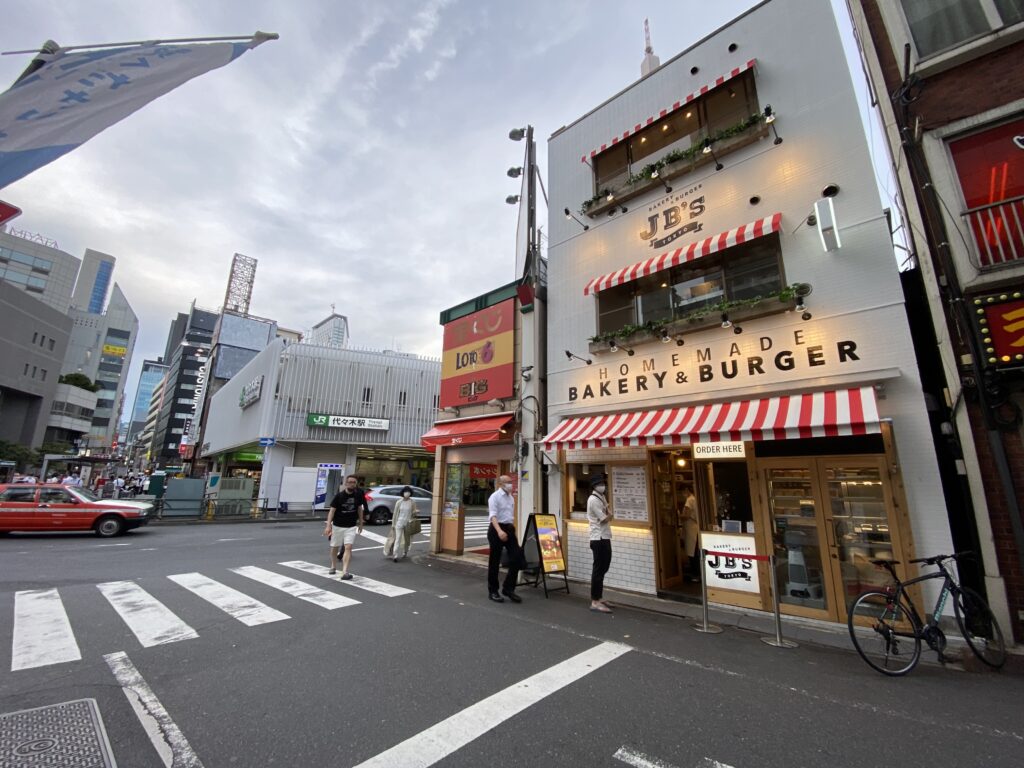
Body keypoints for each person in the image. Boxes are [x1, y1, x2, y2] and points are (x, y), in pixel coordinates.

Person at [486, 474, 524, 603]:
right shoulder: (494, 497)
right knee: (494, 562)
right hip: (496, 529)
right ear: (501, 484)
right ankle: (493, 591)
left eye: (511, 482)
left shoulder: (511, 498)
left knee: (517, 557)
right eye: (508, 482)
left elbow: (509, 516)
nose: (511, 484)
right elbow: (493, 516)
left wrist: (510, 529)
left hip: (508, 528)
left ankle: (508, 588)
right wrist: (499, 531)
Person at [323, 474, 366, 579]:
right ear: (346, 483)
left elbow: (360, 508)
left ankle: (345, 571)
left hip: (351, 526)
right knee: (334, 547)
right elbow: (332, 511)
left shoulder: (358, 495)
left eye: (354, 482)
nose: (352, 484)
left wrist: (361, 522)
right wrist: (328, 525)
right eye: (350, 482)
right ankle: (333, 566)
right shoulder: (339, 496)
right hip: (337, 525)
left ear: (356, 484)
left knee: (348, 547)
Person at [587, 476, 613, 613]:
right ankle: (595, 601)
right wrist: (609, 514)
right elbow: (604, 519)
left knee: (604, 566)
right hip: (598, 538)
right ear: (594, 486)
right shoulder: (593, 500)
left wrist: (609, 514)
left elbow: (608, 516)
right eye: (599, 484)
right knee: (598, 569)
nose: (602, 486)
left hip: (605, 536)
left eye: (603, 483)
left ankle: (599, 596)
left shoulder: (602, 497)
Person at [387, 486, 416, 562]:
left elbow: (414, 512)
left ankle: (405, 552)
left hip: (408, 523)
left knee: (407, 539)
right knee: (398, 539)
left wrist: (415, 512)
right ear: (403, 493)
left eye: (409, 492)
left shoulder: (412, 502)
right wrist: (393, 524)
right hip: (399, 522)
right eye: (406, 491)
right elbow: (395, 514)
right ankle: (395, 555)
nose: (407, 493)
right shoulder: (399, 502)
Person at [681, 486, 700, 583]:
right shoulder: (695, 498)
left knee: (692, 552)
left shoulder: (689, 500)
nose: (683, 493)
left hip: (691, 528)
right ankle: (697, 574)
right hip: (695, 527)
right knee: (695, 551)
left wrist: (679, 516)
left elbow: (686, 515)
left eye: (683, 491)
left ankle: (696, 574)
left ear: (687, 490)